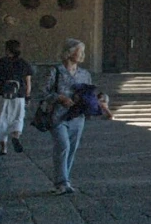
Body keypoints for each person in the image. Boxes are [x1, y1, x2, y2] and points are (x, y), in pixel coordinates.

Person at [43, 38, 112, 195]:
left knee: (71, 148)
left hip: (77, 116)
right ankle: (62, 182)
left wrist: (100, 101)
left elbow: (89, 94)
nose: (82, 55)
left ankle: (63, 180)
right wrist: (60, 98)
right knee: (63, 146)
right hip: (57, 115)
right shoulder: (55, 71)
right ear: (69, 52)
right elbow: (43, 92)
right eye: (80, 51)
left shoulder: (84, 74)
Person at [0, 39, 32, 155]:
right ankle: (15, 136)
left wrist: (0, 80)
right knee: (18, 118)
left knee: (1, 119)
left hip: (2, 95)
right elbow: (28, 83)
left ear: (7, 49)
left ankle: (4, 148)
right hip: (19, 96)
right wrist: (27, 97)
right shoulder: (24, 63)